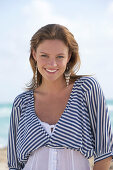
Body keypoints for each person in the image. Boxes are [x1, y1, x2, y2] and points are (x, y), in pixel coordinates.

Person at [7, 24, 113, 170]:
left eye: (60, 56)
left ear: (69, 56)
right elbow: (14, 165)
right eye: (44, 55)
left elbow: (105, 152)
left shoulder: (86, 89)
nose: (52, 63)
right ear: (34, 54)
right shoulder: (22, 103)